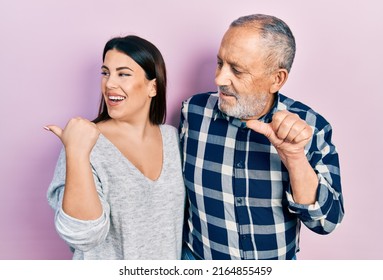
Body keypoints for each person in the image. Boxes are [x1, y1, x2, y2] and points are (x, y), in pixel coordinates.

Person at [179, 14, 344, 260]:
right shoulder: (192, 113)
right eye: (220, 63)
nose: (219, 79)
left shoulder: (311, 127)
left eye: (237, 70)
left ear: (276, 79)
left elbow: (326, 222)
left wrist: (294, 157)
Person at [45, 35, 185, 260]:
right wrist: (77, 153)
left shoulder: (172, 139)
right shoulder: (84, 144)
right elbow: (83, 236)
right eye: (105, 73)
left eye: (123, 74)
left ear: (153, 87)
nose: (109, 83)